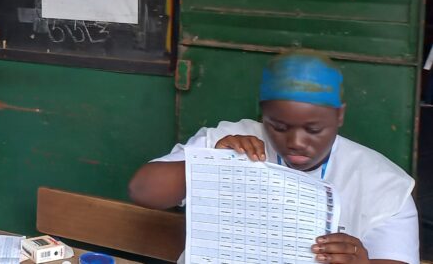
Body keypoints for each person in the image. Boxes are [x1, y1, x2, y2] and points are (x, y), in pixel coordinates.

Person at [128, 52, 418, 264]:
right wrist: (211, 164)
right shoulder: (229, 140)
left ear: (339, 115)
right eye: (278, 127)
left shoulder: (384, 184)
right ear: (263, 113)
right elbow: (142, 191)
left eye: (314, 129)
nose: (295, 142)